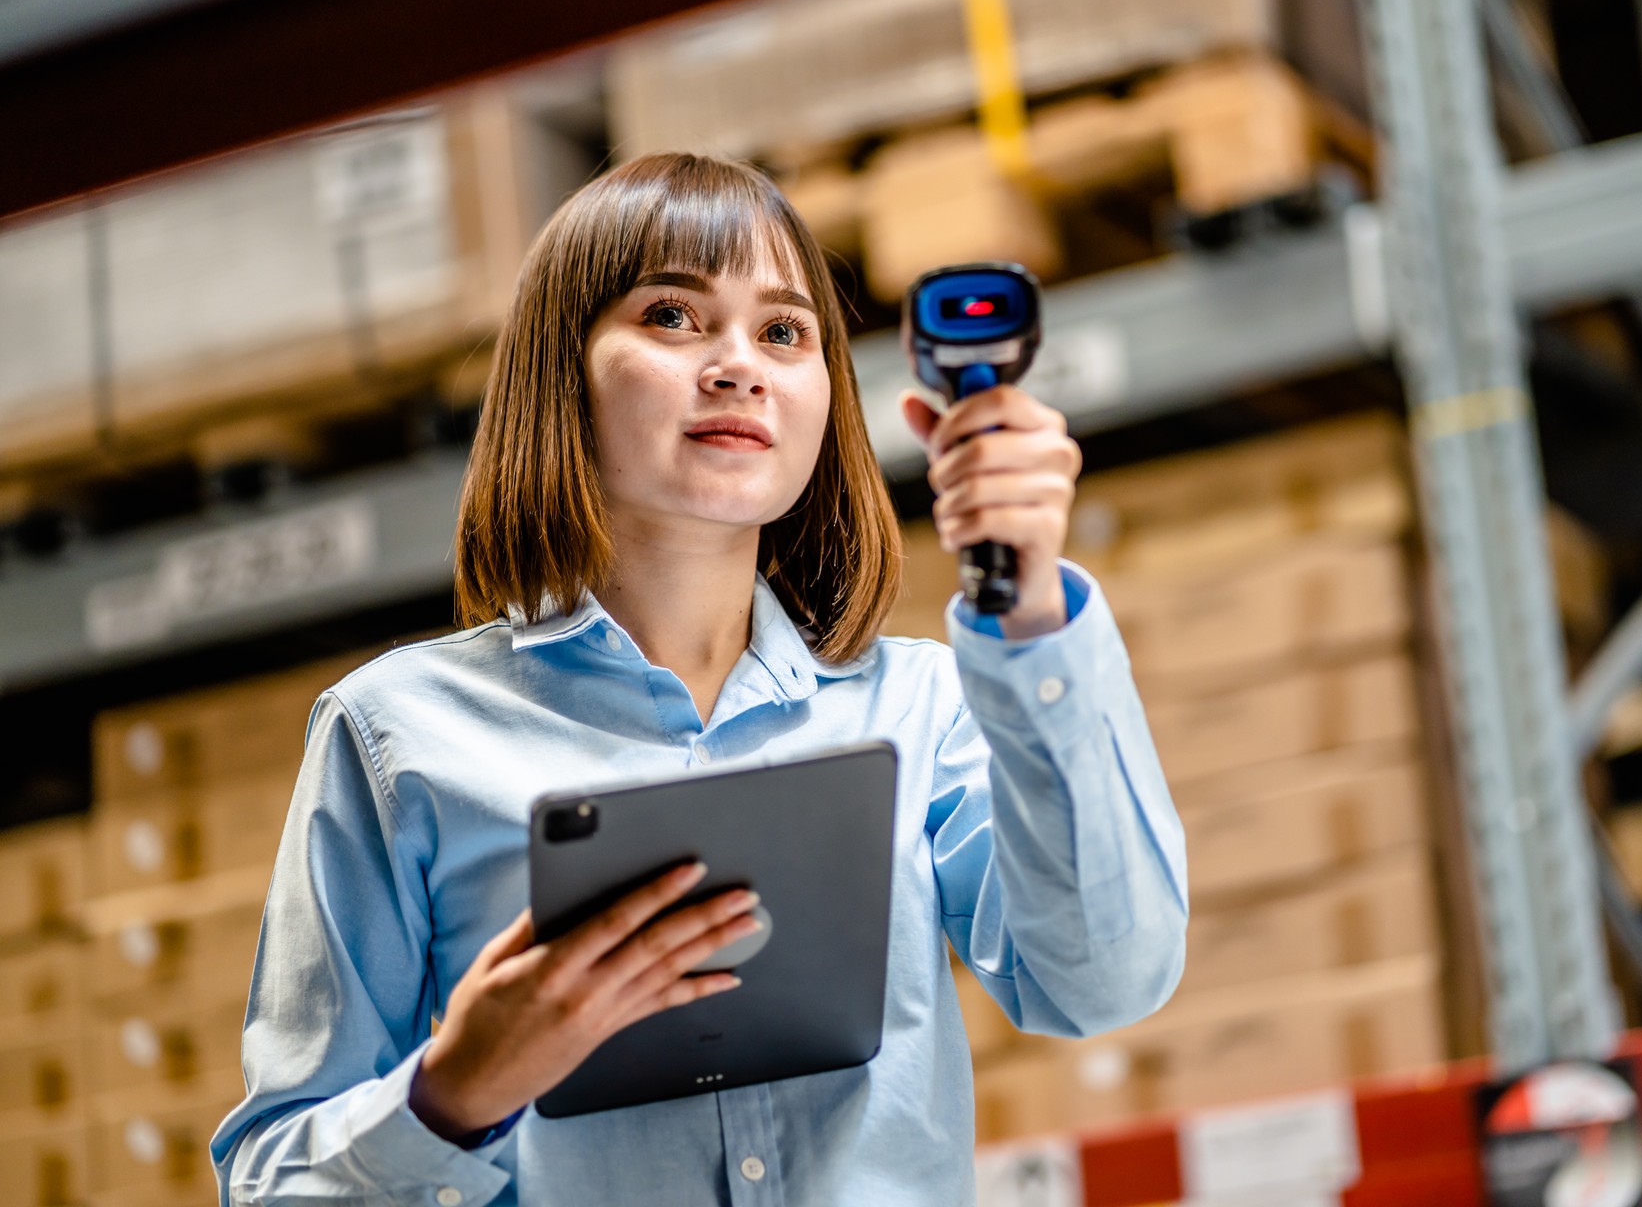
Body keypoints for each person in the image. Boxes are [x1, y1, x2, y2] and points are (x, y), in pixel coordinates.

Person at [209, 152, 1187, 1206]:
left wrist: (1033, 613)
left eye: (783, 330)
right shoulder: (396, 738)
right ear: (562, 369)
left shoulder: (921, 708)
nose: (738, 366)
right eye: (673, 316)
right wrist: (456, 1090)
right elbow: (271, 1185)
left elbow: (1100, 978)